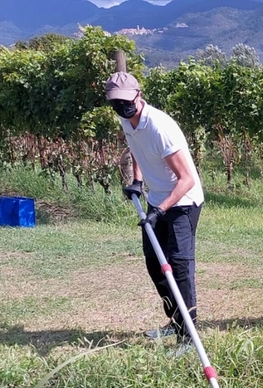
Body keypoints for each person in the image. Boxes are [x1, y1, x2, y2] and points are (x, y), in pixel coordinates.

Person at [106, 71, 205, 358]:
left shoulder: (160, 127)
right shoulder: (127, 121)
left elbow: (186, 178)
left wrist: (160, 211)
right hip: (158, 200)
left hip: (183, 202)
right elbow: (136, 150)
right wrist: (137, 181)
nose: (122, 107)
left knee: (179, 268)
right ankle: (176, 323)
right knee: (154, 263)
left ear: (138, 95)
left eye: (126, 101)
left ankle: (189, 337)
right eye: (116, 103)